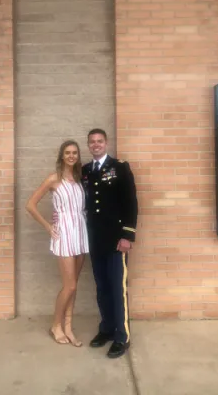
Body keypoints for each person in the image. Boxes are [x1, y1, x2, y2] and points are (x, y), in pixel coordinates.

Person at [26, 140, 89, 347]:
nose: (71, 156)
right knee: (68, 285)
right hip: (64, 234)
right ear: (62, 156)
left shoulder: (80, 179)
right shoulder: (53, 179)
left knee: (74, 286)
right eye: (68, 153)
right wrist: (47, 226)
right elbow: (30, 205)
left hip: (80, 232)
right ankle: (56, 325)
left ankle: (68, 327)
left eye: (75, 153)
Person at [82, 128, 138, 359]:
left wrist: (127, 236)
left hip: (116, 241)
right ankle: (106, 329)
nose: (96, 145)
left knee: (117, 289)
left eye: (100, 141)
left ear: (106, 143)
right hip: (95, 240)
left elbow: (131, 203)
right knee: (102, 288)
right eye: (92, 142)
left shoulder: (120, 167)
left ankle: (121, 337)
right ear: (89, 145)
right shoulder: (85, 171)